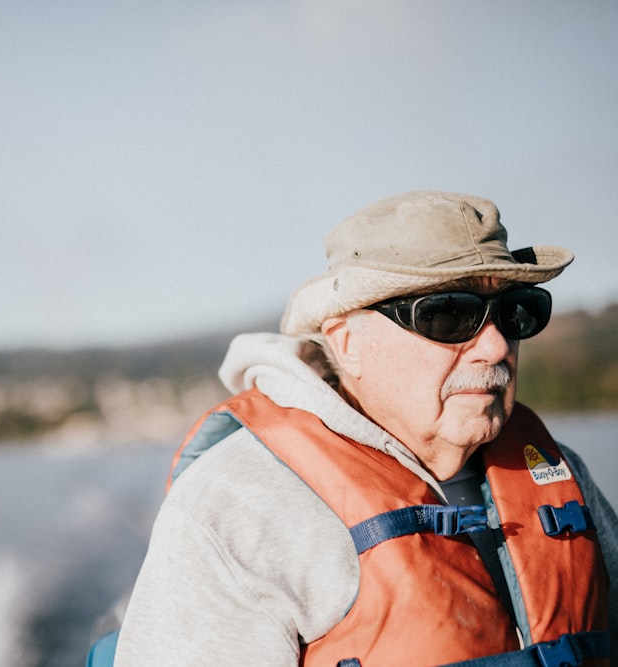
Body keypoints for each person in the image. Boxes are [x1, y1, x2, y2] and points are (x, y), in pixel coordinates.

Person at [105, 191, 617, 666]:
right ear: (348, 343)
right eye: (448, 316)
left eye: (513, 313)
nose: (497, 346)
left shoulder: (560, 473)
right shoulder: (236, 506)